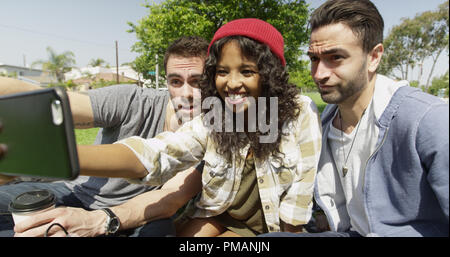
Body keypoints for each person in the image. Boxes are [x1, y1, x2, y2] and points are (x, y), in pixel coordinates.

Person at [262, 0, 449, 237]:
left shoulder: (427, 121)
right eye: (314, 59)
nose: (319, 74)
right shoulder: (324, 125)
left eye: (336, 58)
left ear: (374, 57)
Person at [0, 36, 207, 237]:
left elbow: (169, 197)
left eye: (197, 82)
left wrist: (100, 220)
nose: (186, 93)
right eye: (176, 81)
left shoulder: (213, 134)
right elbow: (63, 104)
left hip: (138, 213)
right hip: (74, 193)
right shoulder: (134, 100)